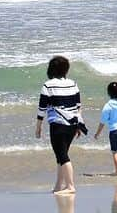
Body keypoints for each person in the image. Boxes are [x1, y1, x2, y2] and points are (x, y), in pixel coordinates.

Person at [35, 54, 84, 195]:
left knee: (62, 155)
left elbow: (42, 108)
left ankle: (70, 186)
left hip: (58, 124)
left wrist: (38, 126)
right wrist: (79, 124)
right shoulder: (73, 83)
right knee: (60, 155)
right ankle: (58, 185)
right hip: (73, 123)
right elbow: (78, 106)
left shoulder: (48, 85)